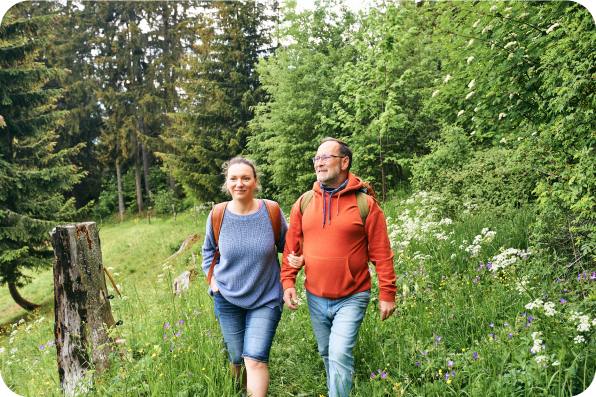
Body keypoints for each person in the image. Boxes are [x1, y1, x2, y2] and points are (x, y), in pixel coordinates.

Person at [282, 137, 397, 397]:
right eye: (317, 159)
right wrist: (288, 281)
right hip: (315, 296)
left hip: (353, 295)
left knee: (338, 351)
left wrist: (387, 293)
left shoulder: (365, 203)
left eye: (326, 158)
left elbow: (381, 252)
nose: (319, 163)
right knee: (327, 352)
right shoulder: (304, 202)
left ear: (344, 162)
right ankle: (340, 385)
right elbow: (292, 248)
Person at [202, 157, 288, 397]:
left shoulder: (271, 211)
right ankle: (239, 390)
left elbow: (288, 246)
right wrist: (213, 283)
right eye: (234, 178)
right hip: (227, 297)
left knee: (255, 359)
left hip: (266, 296)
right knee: (236, 357)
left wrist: (297, 259)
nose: (239, 183)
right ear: (227, 183)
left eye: (245, 178)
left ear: (255, 182)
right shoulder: (217, 214)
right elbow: (208, 252)